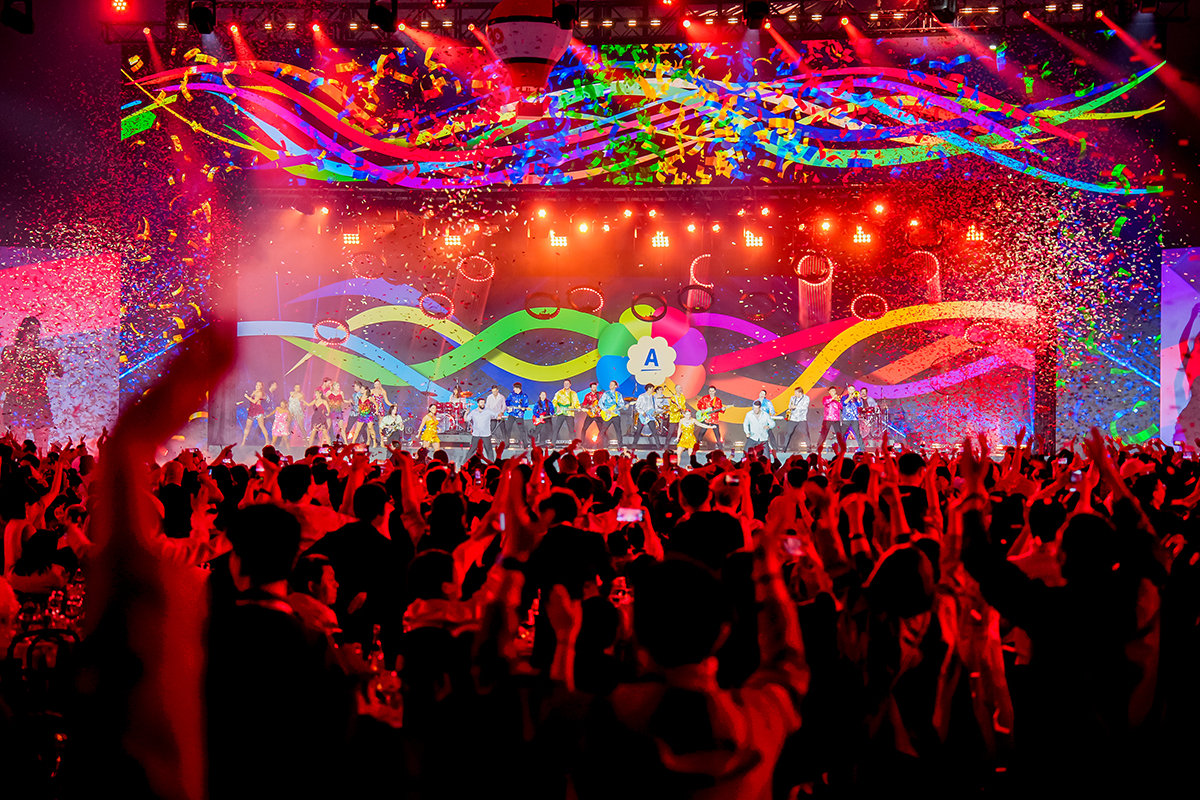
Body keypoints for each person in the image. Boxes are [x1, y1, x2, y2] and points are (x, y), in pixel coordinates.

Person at [207, 504, 354, 798]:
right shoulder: (314, 644)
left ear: (235, 560)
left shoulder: (207, 638)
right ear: (291, 562)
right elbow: (339, 740)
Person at [0, 317, 63, 451]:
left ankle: (42, 468)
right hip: (17, 399)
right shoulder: (10, 350)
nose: (32, 334)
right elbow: (3, 374)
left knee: (42, 443)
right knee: (17, 441)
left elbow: (59, 372)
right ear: (22, 331)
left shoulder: (43, 353)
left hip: (39, 401)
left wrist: (55, 359)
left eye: (36, 330)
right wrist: (19, 355)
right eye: (29, 330)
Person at [632, 384, 662, 452]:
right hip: (643, 416)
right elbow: (637, 406)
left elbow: (655, 407)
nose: (653, 390)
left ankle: (658, 447)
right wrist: (642, 412)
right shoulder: (641, 396)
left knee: (654, 432)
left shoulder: (654, 397)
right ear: (649, 388)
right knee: (638, 432)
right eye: (652, 388)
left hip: (650, 417)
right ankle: (633, 446)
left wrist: (657, 411)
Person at [598, 380, 627, 449]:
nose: (610, 386)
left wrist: (625, 407)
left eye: (612, 384)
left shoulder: (619, 395)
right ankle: (598, 444)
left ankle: (620, 444)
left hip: (616, 414)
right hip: (607, 414)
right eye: (610, 384)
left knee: (618, 430)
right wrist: (606, 410)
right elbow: (600, 403)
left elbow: (621, 405)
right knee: (603, 430)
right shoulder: (606, 394)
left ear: (616, 386)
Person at [780, 386, 810, 454]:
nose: (795, 394)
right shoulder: (793, 397)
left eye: (796, 392)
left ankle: (808, 448)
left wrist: (796, 407)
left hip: (802, 418)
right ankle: (784, 448)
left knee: (804, 433)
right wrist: (790, 408)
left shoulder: (806, 398)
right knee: (788, 433)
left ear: (800, 393)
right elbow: (790, 405)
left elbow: (804, 407)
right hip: (793, 418)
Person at [240, 380, 269, 446]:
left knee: (261, 426)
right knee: (247, 426)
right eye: (256, 384)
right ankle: (243, 441)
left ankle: (267, 441)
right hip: (252, 411)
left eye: (259, 385)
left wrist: (247, 397)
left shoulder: (260, 393)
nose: (257, 386)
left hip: (258, 410)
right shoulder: (254, 392)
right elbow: (251, 402)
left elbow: (254, 401)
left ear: (261, 387)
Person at [553, 379, 580, 446]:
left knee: (571, 429)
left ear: (570, 384)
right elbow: (554, 401)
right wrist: (557, 406)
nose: (566, 385)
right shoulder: (559, 392)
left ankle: (574, 444)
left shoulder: (573, 393)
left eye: (567, 383)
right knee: (557, 428)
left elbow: (576, 402)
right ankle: (553, 443)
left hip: (569, 412)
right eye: (565, 383)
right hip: (561, 412)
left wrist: (578, 408)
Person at [815, 386, 842, 452]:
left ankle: (841, 448)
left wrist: (838, 401)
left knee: (839, 434)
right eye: (832, 391)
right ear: (829, 392)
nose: (833, 392)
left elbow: (841, 407)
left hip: (836, 419)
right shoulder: (826, 398)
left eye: (834, 391)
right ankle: (818, 448)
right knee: (823, 434)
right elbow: (824, 403)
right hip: (827, 419)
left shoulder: (837, 399)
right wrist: (832, 398)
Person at [577, 381, 604, 446]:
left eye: (595, 387)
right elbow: (584, 405)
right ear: (591, 388)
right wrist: (589, 406)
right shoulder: (587, 396)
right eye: (593, 387)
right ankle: (582, 443)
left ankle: (600, 444)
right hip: (590, 414)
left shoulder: (600, 394)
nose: (595, 388)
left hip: (598, 414)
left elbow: (604, 402)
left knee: (602, 430)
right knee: (584, 428)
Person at [504, 382, 530, 448]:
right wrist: (508, 406)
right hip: (512, 414)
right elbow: (507, 401)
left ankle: (525, 444)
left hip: (519, 415)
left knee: (521, 429)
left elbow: (526, 405)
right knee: (508, 428)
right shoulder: (511, 394)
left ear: (518, 388)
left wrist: (524, 408)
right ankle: (507, 443)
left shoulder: (524, 396)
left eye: (515, 388)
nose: (514, 389)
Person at [841, 386, 864, 451]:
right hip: (846, 419)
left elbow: (859, 404)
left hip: (854, 419)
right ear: (848, 390)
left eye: (853, 389)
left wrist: (858, 398)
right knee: (842, 434)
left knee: (858, 434)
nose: (851, 390)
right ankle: (840, 449)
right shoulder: (844, 397)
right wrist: (849, 398)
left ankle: (862, 449)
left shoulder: (856, 397)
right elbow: (843, 403)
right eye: (850, 389)